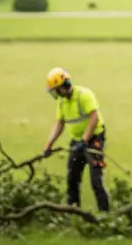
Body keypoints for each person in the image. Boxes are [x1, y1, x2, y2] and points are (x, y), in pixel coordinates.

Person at [42, 67, 110, 211]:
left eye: (57, 89)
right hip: (77, 141)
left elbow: (94, 118)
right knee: (72, 178)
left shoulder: (84, 95)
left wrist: (85, 140)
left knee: (95, 180)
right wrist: (48, 145)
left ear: (64, 85)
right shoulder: (62, 103)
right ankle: (73, 211)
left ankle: (105, 214)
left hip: (94, 139)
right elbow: (60, 123)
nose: (56, 93)